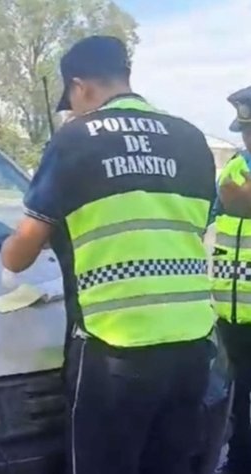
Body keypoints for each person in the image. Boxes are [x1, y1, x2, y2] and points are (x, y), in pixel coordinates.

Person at [1, 35, 216, 474]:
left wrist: (10, 252)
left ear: (80, 87)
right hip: (193, 346)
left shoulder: (75, 140)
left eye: (73, 99)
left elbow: (21, 252)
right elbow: (183, 227)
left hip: (116, 350)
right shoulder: (191, 139)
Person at [212, 86, 251, 474]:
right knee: (234, 405)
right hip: (230, 318)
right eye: (244, 131)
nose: (247, 140)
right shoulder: (231, 173)